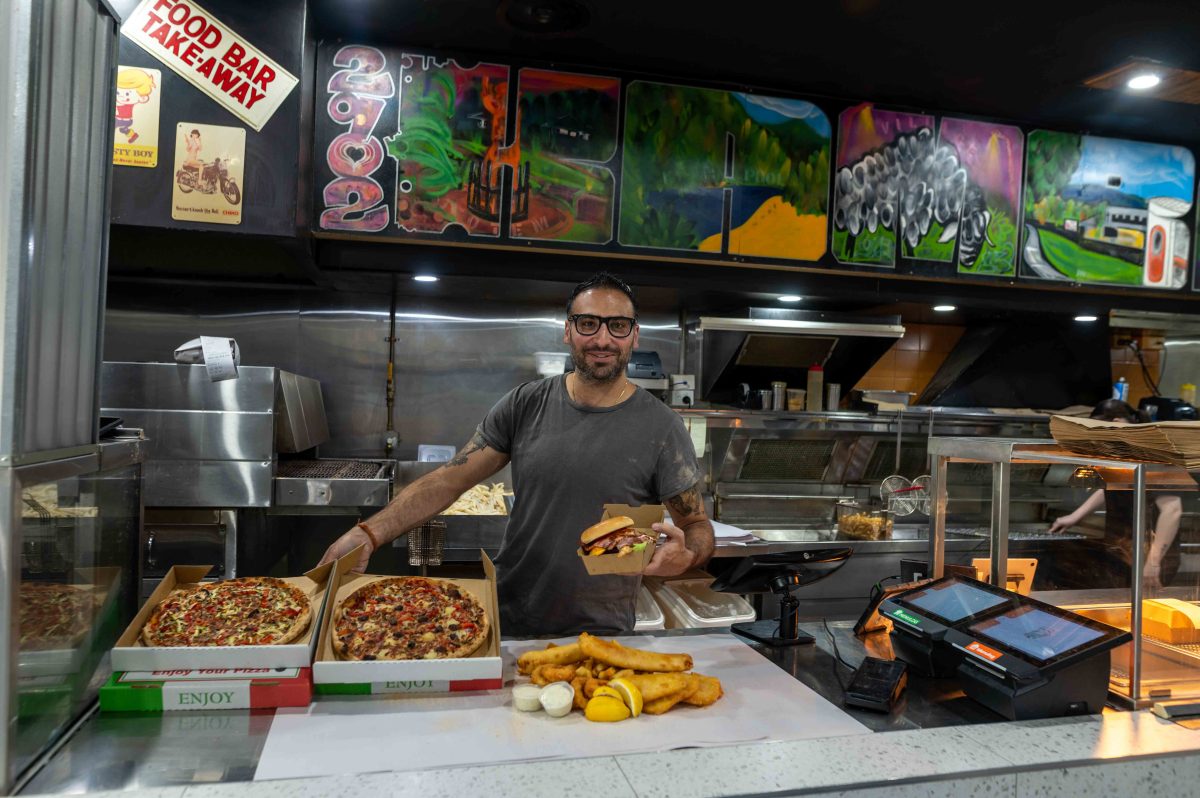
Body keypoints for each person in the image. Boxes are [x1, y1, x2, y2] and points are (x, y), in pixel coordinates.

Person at [318, 272, 714, 635]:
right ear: (567, 331)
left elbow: (696, 525)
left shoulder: (661, 427)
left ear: (635, 336)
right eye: (588, 323)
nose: (603, 339)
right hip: (511, 616)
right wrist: (368, 533)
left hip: (602, 631)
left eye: (618, 326)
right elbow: (449, 479)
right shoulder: (526, 403)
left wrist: (688, 555)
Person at [1048, 399, 1184, 589]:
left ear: (1118, 422)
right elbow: (1114, 486)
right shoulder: (1121, 451)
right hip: (1122, 549)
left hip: (1152, 556)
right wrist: (1074, 517)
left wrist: (1153, 562)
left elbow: (1172, 509)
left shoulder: (1153, 452)